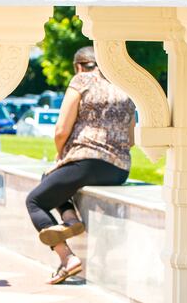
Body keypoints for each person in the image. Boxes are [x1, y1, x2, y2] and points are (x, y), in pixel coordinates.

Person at [25, 46, 136, 285]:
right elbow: (131, 139)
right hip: (119, 170)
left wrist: (60, 156)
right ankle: (70, 219)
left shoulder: (82, 80)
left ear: (78, 65)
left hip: (86, 160)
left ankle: (67, 258)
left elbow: (61, 130)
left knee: (35, 200)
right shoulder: (125, 86)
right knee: (57, 181)